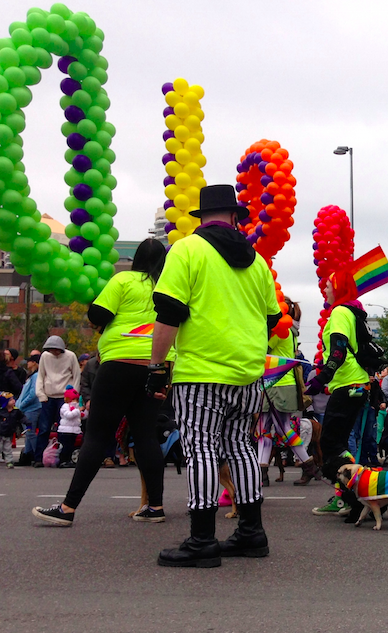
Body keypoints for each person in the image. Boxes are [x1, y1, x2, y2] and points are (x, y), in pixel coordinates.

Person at [149, 185, 281, 566]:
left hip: (202, 372)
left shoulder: (187, 250)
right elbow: (273, 319)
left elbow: (169, 314)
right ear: (235, 217)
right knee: (241, 447)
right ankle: (252, 532)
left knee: (201, 448)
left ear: (202, 217)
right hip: (248, 374)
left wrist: (157, 367)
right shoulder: (257, 263)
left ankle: (202, 539)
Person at [31, 239, 175, 526]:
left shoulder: (123, 280)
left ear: (136, 259)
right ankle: (155, 506)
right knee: (146, 436)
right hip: (157, 365)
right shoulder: (170, 286)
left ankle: (68, 508)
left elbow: (98, 314)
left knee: (97, 435)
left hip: (119, 362)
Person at [309, 272, 373, 518]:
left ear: (337, 288)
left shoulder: (339, 312)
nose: (325, 289)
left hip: (348, 384)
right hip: (356, 384)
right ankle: (346, 495)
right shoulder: (352, 311)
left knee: (330, 444)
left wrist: (321, 378)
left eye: (328, 285)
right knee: (339, 444)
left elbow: (339, 351)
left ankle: (351, 495)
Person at [257, 297, 321, 488]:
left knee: (282, 428)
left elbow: (262, 348)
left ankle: (308, 465)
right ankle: (262, 472)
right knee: (265, 428)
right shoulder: (290, 331)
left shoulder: (281, 331)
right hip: (276, 384)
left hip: (278, 384)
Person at [33, 335, 80, 467]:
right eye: (51, 349)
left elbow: (76, 375)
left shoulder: (70, 356)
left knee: (64, 429)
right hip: (48, 396)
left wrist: (73, 396)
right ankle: (39, 458)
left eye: (56, 349)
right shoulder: (45, 356)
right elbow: (41, 376)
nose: (54, 352)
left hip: (65, 397)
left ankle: (63, 458)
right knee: (44, 428)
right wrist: (41, 395)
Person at [14, 354, 41, 465]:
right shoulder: (32, 375)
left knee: (30, 432)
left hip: (32, 408)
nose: (27, 363)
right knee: (28, 433)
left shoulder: (36, 376)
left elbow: (33, 393)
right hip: (27, 408)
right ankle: (27, 455)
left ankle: (37, 455)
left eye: (29, 361)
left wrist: (22, 404)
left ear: (34, 363)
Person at [55, 386, 83, 469]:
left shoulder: (77, 407)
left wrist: (82, 412)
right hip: (65, 430)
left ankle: (69, 460)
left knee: (71, 447)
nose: (75, 401)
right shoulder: (65, 406)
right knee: (65, 447)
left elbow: (80, 416)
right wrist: (78, 411)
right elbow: (68, 415)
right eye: (73, 399)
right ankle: (62, 460)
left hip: (74, 430)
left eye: (76, 399)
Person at [1, 391, 24, 468]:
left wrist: (28, 423)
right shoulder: (1, 411)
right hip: (1, 433)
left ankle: (9, 461)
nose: (13, 401)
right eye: (10, 400)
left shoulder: (16, 411)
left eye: (13, 399)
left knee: (8, 449)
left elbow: (22, 418)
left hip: (9, 433)